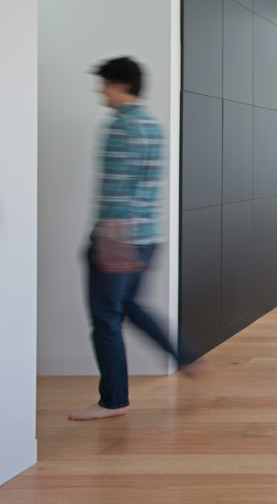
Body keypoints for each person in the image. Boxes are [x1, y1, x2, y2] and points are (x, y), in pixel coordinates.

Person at [69, 57, 197, 421]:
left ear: (120, 85)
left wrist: (107, 239)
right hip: (147, 235)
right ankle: (184, 354)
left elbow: (116, 191)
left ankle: (113, 400)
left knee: (106, 318)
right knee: (131, 307)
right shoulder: (154, 128)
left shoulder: (119, 127)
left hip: (117, 237)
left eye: (104, 85)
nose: (100, 92)